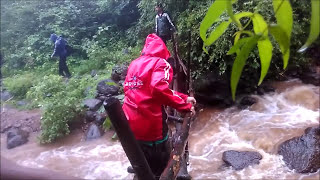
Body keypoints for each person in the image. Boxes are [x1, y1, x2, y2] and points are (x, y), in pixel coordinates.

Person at [122, 34, 196, 179]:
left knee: (143, 163)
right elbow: (158, 89)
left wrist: (184, 98)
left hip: (130, 123)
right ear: (163, 51)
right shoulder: (161, 63)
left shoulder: (134, 64)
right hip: (151, 126)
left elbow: (147, 90)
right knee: (161, 167)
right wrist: (184, 107)